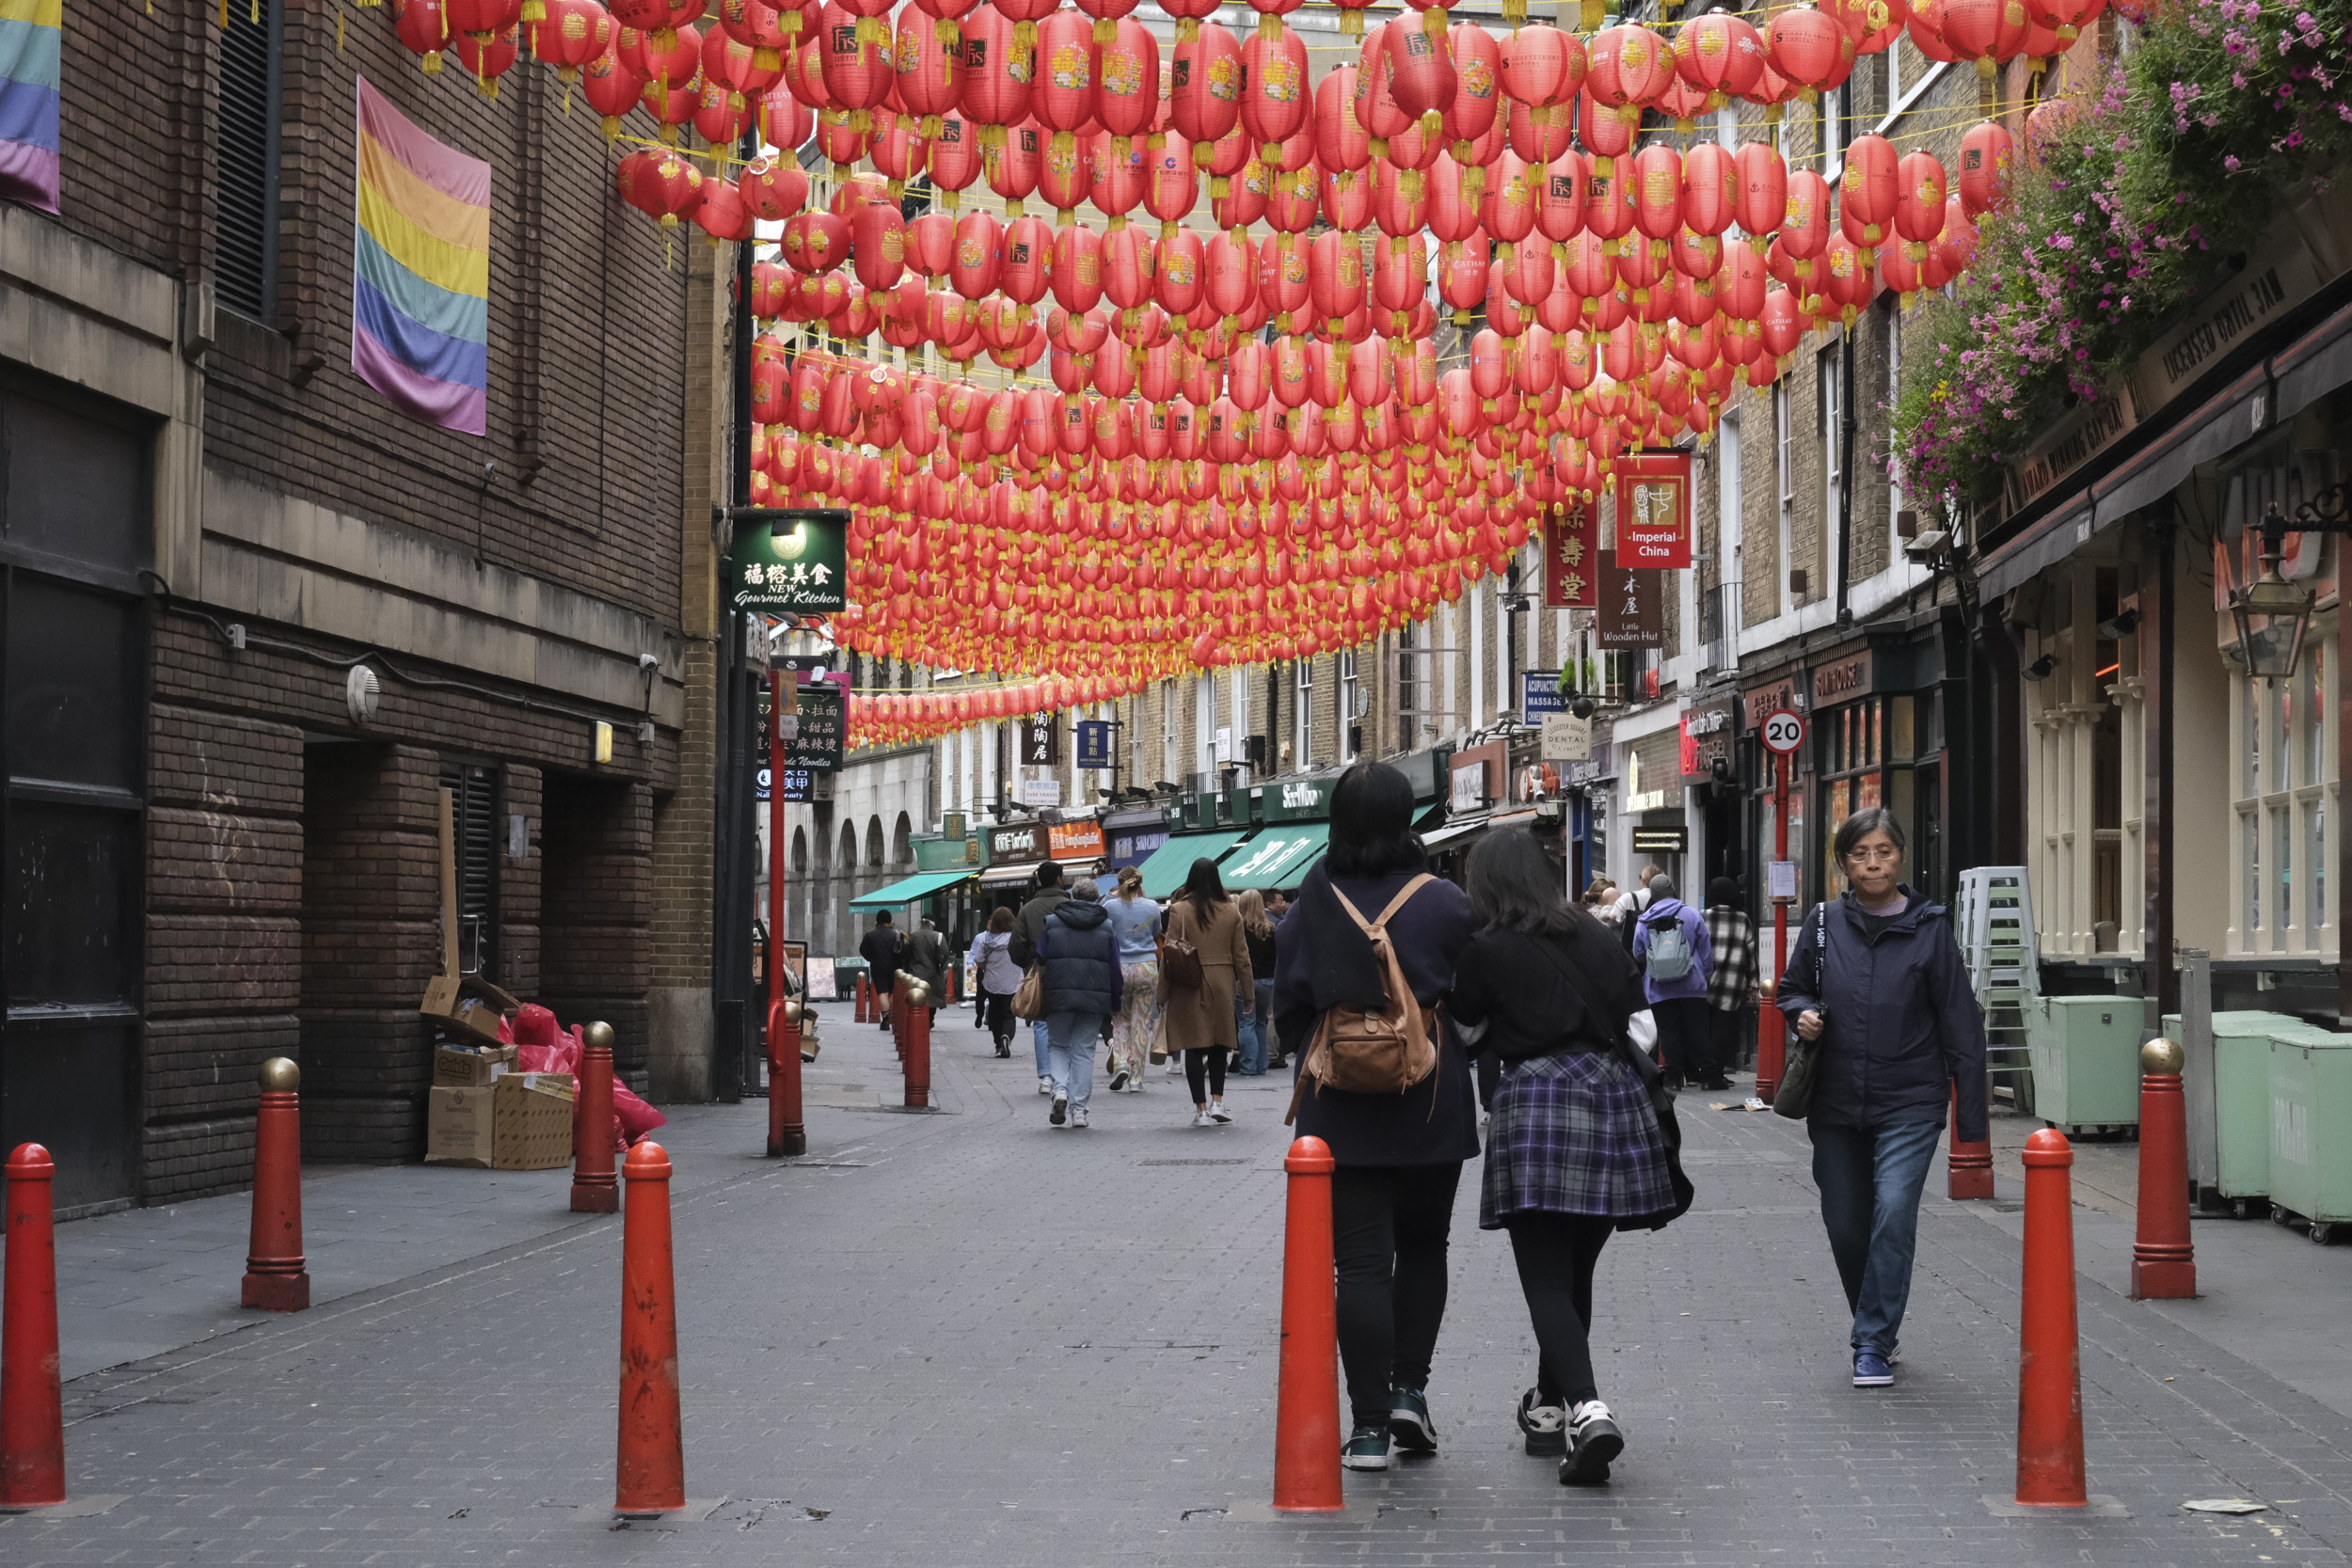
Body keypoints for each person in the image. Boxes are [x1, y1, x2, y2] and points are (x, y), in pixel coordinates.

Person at [1450, 830, 1691, 1485]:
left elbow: (1468, 1035)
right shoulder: (1596, 935)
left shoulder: (1483, 949)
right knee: (1574, 1269)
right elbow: (1643, 1028)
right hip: (1612, 1105)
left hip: (1534, 1105)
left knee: (1544, 1277)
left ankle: (1588, 1409)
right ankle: (1550, 1408)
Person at [1271, 761, 1477, 1472]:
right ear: (1405, 819)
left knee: (1359, 1264)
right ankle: (1408, 1393)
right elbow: (1474, 997)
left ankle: (1364, 1431)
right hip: (1429, 1099)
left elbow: (1289, 1006)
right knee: (1424, 1248)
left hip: (1340, 1109)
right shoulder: (1445, 901)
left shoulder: (1311, 900)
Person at [1777, 807, 1989, 1390]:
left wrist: (1971, 1121)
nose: (1873, 863)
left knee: (1893, 1211)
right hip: (1837, 1101)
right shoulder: (1822, 922)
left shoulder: (1930, 928)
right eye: (1861, 854)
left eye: (1884, 852)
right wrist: (1804, 1015)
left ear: (1900, 858)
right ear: (1844, 862)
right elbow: (1792, 990)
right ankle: (1875, 1323)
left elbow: (1960, 1022)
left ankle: (1871, 1339)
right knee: (1846, 1223)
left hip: (1910, 1099)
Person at [1160, 859, 1252, 1125]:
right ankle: (1217, 1103)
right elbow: (1242, 957)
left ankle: (1200, 1110)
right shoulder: (1231, 911)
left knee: (1193, 1045)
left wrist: (1162, 995)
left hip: (1190, 983)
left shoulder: (1179, 910)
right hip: (1222, 983)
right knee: (1218, 1044)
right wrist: (1248, 993)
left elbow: (1169, 955)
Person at [1036, 879, 1122, 1130]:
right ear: (1096, 899)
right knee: (1084, 1051)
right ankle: (1079, 1111)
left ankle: (1060, 1091)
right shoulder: (1106, 927)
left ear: (1072, 897)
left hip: (1059, 993)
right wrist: (1115, 1000)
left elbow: (1041, 954)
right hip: (1094, 997)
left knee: (1058, 1045)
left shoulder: (1051, 923)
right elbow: (1115, 967)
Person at [1629, 875, 1712, 1091]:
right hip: (1692, 985)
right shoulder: (1692, 914)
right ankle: (1707, 1075)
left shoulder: (1644, 919)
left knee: (1668, 1031)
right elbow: (1705, 951)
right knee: (1698, 1029)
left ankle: (1673, 1077)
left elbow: (1638, 953)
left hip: (1659, 986)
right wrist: (1705, 974)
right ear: (1673, 890)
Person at [1102, 866, 1166, 1093]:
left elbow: (1104, 931)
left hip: (1119, 966)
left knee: (1119, 1020)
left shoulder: (1109, 907)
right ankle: (1136, 1077)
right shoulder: (1151, 907)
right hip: (1146, 966)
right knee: (1141, 1023)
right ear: (1140, 884)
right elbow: (1157, 932)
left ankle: (1120, 1063)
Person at [1009, 862, 1071, 1097]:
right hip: (1067, 970)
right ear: (1058, 879)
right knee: (1066, 1024)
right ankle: (1063, 1077)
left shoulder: (1028, 909)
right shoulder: (1070, 905)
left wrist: (1029, 964)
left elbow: (1015, 945)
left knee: (1042, 1024)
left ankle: (1046, 1076)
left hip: (1038, 972)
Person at [1701, 878, 1758, 1091]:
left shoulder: (1703, 916)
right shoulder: (1742, 919)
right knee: (1723, 1031)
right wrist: (1754, 983)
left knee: (1706, 1030)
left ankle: (1705, 1074)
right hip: (1732, 981)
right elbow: (1750, 951)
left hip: (1706, 980)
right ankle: (1716, 1076)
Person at [1233, 889, 1279, 1075]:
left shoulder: (1239, 929)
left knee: (1246, 1023)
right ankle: (1262, 1064)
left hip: (1245, 982)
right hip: (1267, 981)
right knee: (1261, 1021)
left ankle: (1248, 1065)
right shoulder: (1271, 929)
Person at [973, 907, 1022, 1057]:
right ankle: (1006, 1036)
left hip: (993, 981)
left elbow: (978, 959)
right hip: (1013, 981)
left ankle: (998, 1045)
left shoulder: (987, 939)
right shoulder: (1016, 938)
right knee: (1009, 1013)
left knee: (995, 1012)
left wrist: (987, 966)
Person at [858, 911, 904, 1031]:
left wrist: (872, 958)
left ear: (877, 920)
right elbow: (902, 952)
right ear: (890, 920)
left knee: (882, 992)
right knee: (891, 992)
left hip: (877, 966)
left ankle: (885, 1017)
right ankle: (891, 1015)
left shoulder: (870, 935)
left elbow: (863, 950)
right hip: (894, 967)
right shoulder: (897, 935)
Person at [902, 916, 946, 1024]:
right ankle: (930, 1019)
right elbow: (945, 953)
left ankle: (918, 1020)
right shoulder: (938, 936)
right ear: (932, 923)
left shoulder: (912, 936)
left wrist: (906, 969)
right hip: (934, 972)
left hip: (916, 971)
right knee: (932, 998)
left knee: (917, 996)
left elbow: (906, 954)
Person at [1610, 863, 1663, 953]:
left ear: (1642, 880)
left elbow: (1613, 921)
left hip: (1630, 951)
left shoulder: (1628, 898)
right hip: (1658, 950)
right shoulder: (1666, 900)